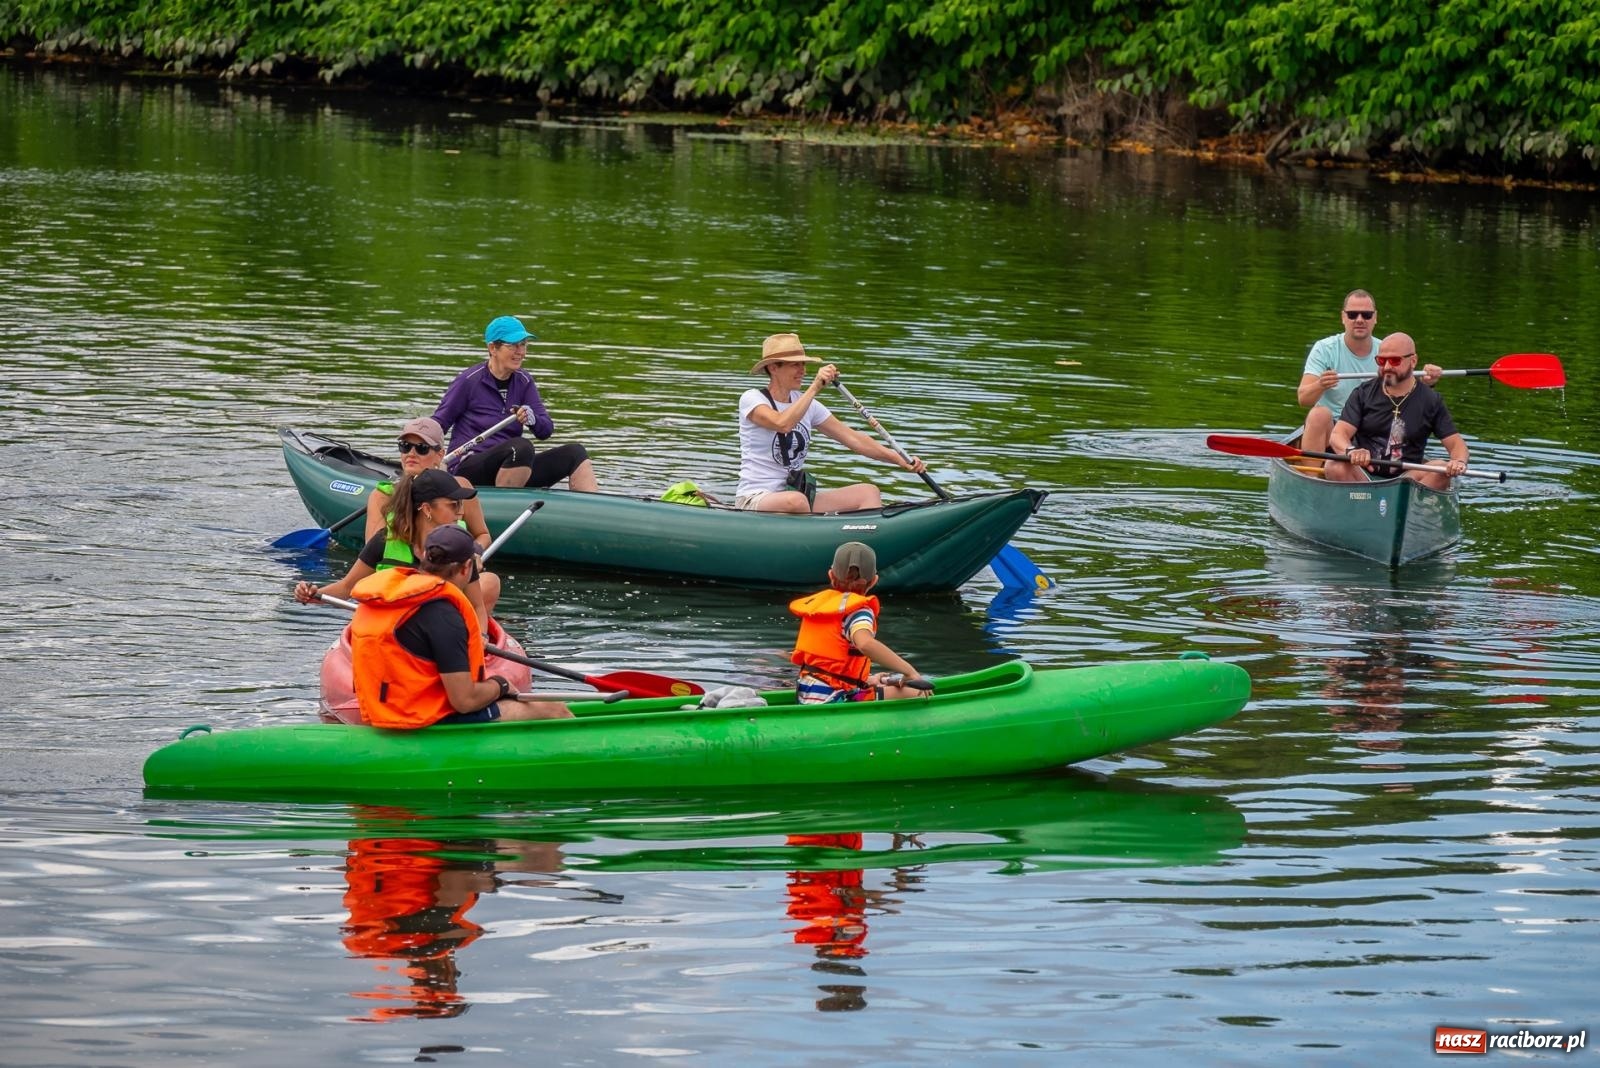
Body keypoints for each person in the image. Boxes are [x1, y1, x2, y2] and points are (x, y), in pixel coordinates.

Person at [346, 525, 573, 726]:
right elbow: (464, 701)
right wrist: (501, 685)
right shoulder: (443, 614)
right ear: (467, 567)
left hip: (381, 711)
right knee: (554, 709)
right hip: (422, 719)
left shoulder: (388, 597)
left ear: (424, 557)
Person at [737, 332, 926, 513]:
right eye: (795, 365)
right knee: (796, 501)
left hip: (797, 498)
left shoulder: (809, 406)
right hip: (756, 498)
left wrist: (899, 459)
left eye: (804, 365)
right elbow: (782, 424)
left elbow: (854, 439)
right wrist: (815, 387)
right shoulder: (752, 399)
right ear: (773, 368)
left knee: (868, 492)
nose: (803, 371)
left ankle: (864, 535)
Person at [295, 468, 498, 633]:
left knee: (491, 581)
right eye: (453, 505)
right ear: (427, 509)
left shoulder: (460, 546)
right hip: (390, 633)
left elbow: (477, 607)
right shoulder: (384, 541)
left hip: (440, 633)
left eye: (460, 505)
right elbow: (347, 588)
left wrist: (481, 636)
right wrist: (313, 594)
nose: (460, 513)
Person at [430, 315, 598, 492]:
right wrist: (424, 460)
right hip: (468, 467)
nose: (521, 352)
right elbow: (437, 425)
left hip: (513, 464)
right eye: (513, 345)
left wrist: (533, 420)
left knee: (575, 452)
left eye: (523, 344)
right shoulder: (468, 381)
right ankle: (504, 503)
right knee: (521, 447)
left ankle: (592, 506)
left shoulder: (524, 381)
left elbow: (546, 430)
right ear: (492, 348)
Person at [1298, 291, 1442, 455]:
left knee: (1399, 422)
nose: (1359, 320)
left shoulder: (1388, 351)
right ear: (1343, 317)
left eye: (1366, 315)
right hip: (1334, 430)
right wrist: (1320, 385)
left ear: (1375, 318)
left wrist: (1426, 383)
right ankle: (1312, 470)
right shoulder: (1324, 349)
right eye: (1352, 315)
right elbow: (1304, 399)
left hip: (1374, 429)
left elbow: (1407, 394)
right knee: (1318, 414)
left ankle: (1390, 466)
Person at [789, 542, 933, 703]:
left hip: (808, 694)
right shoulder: (857, 611)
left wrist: (867, 680)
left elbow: (829, 670)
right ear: (874, 581)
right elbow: (865, 644)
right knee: (917, 692)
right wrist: (909, 672)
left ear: (830, 575)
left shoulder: (820, 608)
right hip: (833, 699)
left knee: (881, 686)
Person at [1326, 333, 1469, 491]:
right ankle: (1363, 499)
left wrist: (1458, 462)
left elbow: (1456, 444)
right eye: (1381, 361)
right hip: (1363, 476)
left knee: (1441, 469)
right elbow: (1338, 434)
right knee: (1334, 465)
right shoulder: (1363, 393)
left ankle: (1409, 502)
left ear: (1413, 361)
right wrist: (1351, 451)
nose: (1387, 367)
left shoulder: (1431, 400)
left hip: (1408, 481)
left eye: (1395, 361)